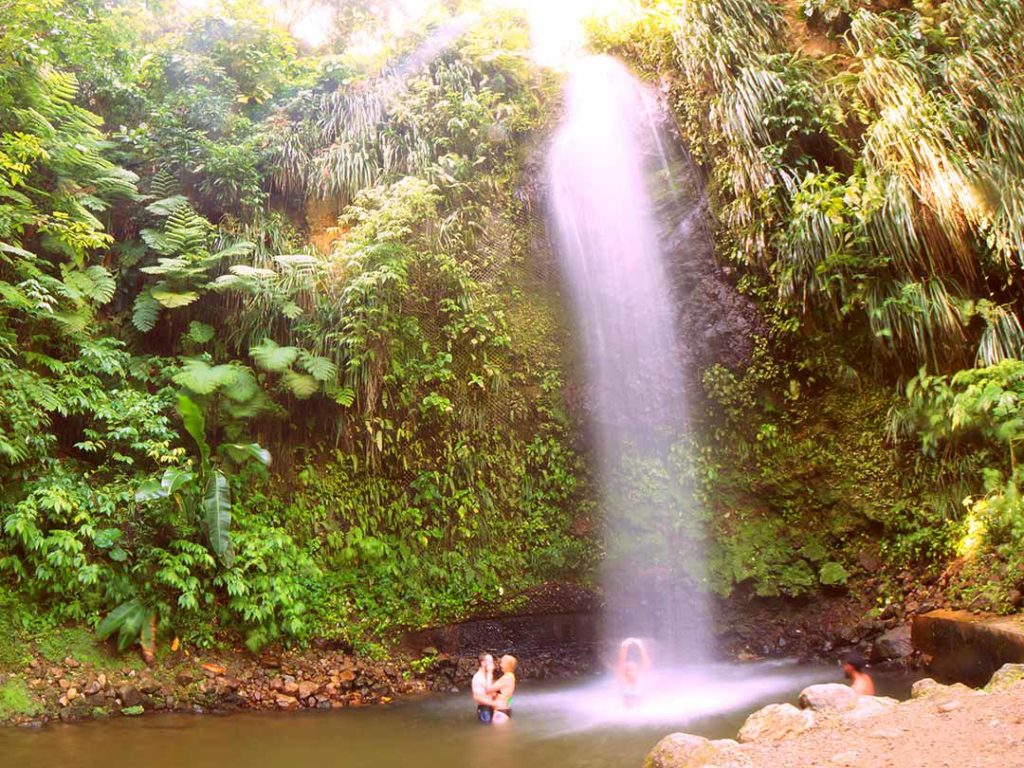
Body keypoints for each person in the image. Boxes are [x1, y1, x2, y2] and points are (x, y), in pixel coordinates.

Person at [614, 637, 651, 708]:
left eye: (631, 669)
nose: (629, 671)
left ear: (636, 670)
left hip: (638, 709)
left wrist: (641, 646)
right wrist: (624, 646)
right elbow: (621, 661)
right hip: (627, 709)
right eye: (627, 669)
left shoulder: (640, 677)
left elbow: (645, 662)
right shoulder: (623, 679)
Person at [487, 654, 517, 724]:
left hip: (500, 712)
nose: (500, 665)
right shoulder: (511, 676)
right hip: (505, 709)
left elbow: (488, 689)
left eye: (502, 662)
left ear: (507, 665)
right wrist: (506, 704)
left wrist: (489, 673)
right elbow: (509, 696)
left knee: (498, 734)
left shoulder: (506, 678)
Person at [471, 652, 497, 723]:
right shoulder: (478, 678)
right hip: (485, 710)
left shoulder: (488, 676)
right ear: (483, 663)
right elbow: (477, 698)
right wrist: (495, 704)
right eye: (490, 662)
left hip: (492, 708)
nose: (493, 665)